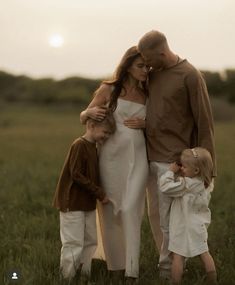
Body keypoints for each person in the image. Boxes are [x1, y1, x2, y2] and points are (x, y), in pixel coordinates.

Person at [137, 30, 216, 278]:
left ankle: (168, 270)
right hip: (150, 157)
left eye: (149, 59)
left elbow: (204, 123)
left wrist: (208, 171)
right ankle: (167, 263)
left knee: (172, 221)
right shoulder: (153, 74)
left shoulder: (190, 75)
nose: (146, 64)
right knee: (157, 217)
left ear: (162, 52)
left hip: (175, 162)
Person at [80, 46, 149, 281]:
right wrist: (90, 113)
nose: (145, 70)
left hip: (138, 159)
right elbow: (84, 116)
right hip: (109, 158)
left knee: (131, 210)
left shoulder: (149, 91)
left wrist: (146, 124)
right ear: (128, 65)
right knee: (110, 211)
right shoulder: (109, 89)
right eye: (140, 66)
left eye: (148, 66)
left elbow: (160, 122)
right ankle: (115, 268)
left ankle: (132, 271)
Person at [52, 114, 116, 281]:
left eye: (109, 134)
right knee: (73, 242)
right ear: (92, 126)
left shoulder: (94, 147)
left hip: (87, 204)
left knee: (91, 241)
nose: (106, 137)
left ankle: (84, 275)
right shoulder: (79, 145)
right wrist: (99, 192)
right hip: (72, 202)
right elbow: (76, 174)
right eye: (105, 132)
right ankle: (67, 277)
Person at [159, 147, 217, 284]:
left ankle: (175, 282)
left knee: (178, 256)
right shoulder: (206, 183)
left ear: (196, 170)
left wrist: (170, 172)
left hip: (182, 226)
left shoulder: (186, 184)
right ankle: (213, 280)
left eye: (184, 167)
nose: (181, 169)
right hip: (198, 226)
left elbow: (165, 187)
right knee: (204, 252)